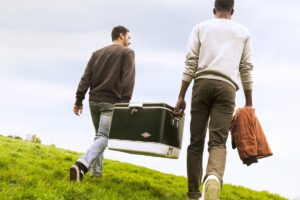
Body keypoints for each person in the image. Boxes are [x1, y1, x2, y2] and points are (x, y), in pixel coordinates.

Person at [174, 0, 253, 199]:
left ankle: (193, 193)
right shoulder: (243, 32)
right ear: (232, 11)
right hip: (227, 89)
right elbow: (246, 68)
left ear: (214, 10)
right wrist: (249, 102)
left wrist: (181, 95)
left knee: (196, 141)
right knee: (218, 142)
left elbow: (191, 62)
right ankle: (213, 177)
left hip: (202, 85)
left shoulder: (201, 28)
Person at [70, 25, 135, 182]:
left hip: (94, 101)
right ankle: (81, 165)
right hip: (111, 103)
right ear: (121, 36)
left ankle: (96, 175)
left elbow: (85, 78)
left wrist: (79, 100)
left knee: (99, 136)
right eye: (129, 37)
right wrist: (124, 105)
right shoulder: (128, 53)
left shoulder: (97, 53)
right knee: (104, 137)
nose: (130, 42)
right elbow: (128, 80)